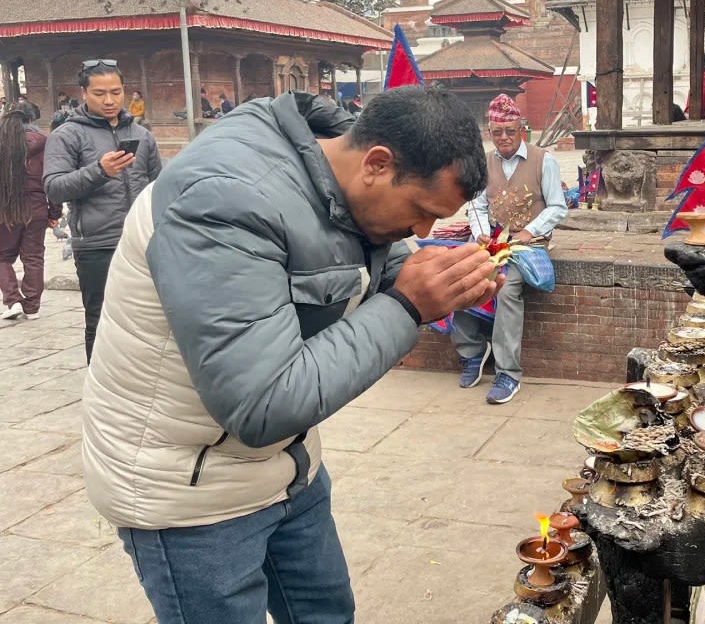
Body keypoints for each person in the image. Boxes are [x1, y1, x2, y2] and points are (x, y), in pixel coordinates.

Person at [82, 86, 501, 622]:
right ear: (377, 163)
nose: (423, 231)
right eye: (420, 211)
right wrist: (408, 307)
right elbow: (263, 403)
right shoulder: (224, 200)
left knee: (327, 613)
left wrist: (447, 280)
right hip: (190, 492)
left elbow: (387, 266)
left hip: (287, 468)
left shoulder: (338, 172)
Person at [452, 93, 568, 404]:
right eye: (498, 132)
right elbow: (475, 206)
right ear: (490, 133)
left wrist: (531, 231)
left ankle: (508, 373)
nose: (504, 138)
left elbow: (558, 206)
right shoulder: (483, 163)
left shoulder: (545, 160)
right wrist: (479, 235)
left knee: (506, 288)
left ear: (522, 131)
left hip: (527, 243)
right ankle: (472, 352)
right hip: (490, 238)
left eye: (510, 131)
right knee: (460, 277)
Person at [44, 59, 162, 362]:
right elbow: (54, 187)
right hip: (98, 245)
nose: (109, 100)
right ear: (83, 93)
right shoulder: (67, 135)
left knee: (149, 321)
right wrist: (99, 170)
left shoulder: (142, 135)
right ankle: (102, 396)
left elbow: (159, 186)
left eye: (115, 91)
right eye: (99, 93)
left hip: (143, 243)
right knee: (101, 322)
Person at [0, 103, 61, 320]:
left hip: (6, 210)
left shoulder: (2, 143)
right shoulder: (45, 143)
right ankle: (32, 306)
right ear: (31, 120)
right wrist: (54, 212)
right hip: (36, 208)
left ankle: (13, 300)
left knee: (2, 256)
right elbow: (51, 179)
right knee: (34, 258)